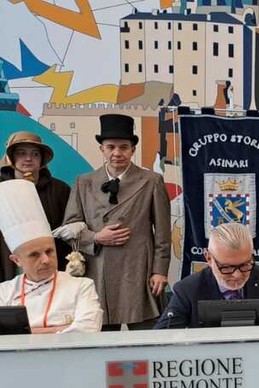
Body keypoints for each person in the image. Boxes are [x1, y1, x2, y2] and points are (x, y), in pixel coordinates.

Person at [54, 114, 172, 331]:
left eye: (123, 147)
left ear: (133, 149)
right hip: (97, 270)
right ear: (102, 149)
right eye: (111, 147)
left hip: (138, 270)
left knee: (147, 336)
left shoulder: (151, 181)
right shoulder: (84, 182)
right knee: (101, 335)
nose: (117, 153)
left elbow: (163, 233)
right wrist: (96, 237)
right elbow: (70, 227)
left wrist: (159, 271)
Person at [0, 180, 102, 333]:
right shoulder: (4, 292)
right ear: (17, 260)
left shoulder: (81, 286)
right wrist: (62, 328)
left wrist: (23, 332)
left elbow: (88, 330)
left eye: (49, 251)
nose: (46, 260)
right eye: (34, 255)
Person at [154, 223, 259, 328]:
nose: (237, 275)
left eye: (245, 265)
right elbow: (162, 338)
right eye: (227, 268)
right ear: (209, 258)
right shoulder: (188, 289)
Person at [1, 132, 71, 282]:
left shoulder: (60, 190)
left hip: (49, 267)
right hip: (7, 266)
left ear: (42, 159)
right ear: (12, 158)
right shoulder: (2, 189)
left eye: (34, 154)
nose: (28, 158)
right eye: (21, 153)